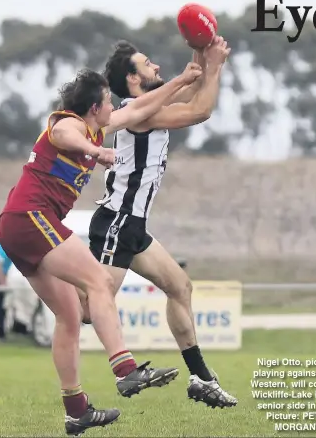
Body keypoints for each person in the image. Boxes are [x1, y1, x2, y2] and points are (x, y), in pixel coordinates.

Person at [0, 65, 203, 435]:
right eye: (107, 102)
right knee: (99, 281)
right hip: (31, 218)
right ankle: (125, 369)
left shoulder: (98, 125)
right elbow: (63, 133)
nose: (113, 106)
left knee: (70, 316)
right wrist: (94, 150)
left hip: (21, 226)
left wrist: (182, 81)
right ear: (93, 107)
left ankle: (77, 411)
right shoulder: (69, 124)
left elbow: (139, 109)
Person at [88, 37, 238, 410]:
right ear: (134, 80)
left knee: (180, 287)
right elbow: (200, 110)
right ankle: (31, 249)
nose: (156, 67)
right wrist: (215, 66)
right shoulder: (139, 111)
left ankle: (202, 378)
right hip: (117, 224)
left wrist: (201, 50)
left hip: (134, 227)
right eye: (148, 64)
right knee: (87, 311)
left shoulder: (148, 104)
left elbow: (194, 87)